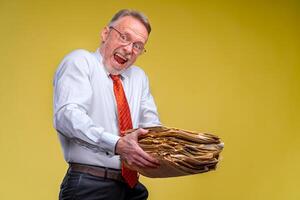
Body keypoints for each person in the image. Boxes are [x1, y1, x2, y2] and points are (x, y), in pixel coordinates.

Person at [53, 9, 161, 200]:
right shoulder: (81, 61)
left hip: (131, 187)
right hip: (90, 186)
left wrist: (185, 151)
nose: (129, 49)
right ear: (105, 33)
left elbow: (151, 128)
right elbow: (68, 116)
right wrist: (117, 144)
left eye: (137, 46)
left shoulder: (139, 78)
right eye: (124, 37)